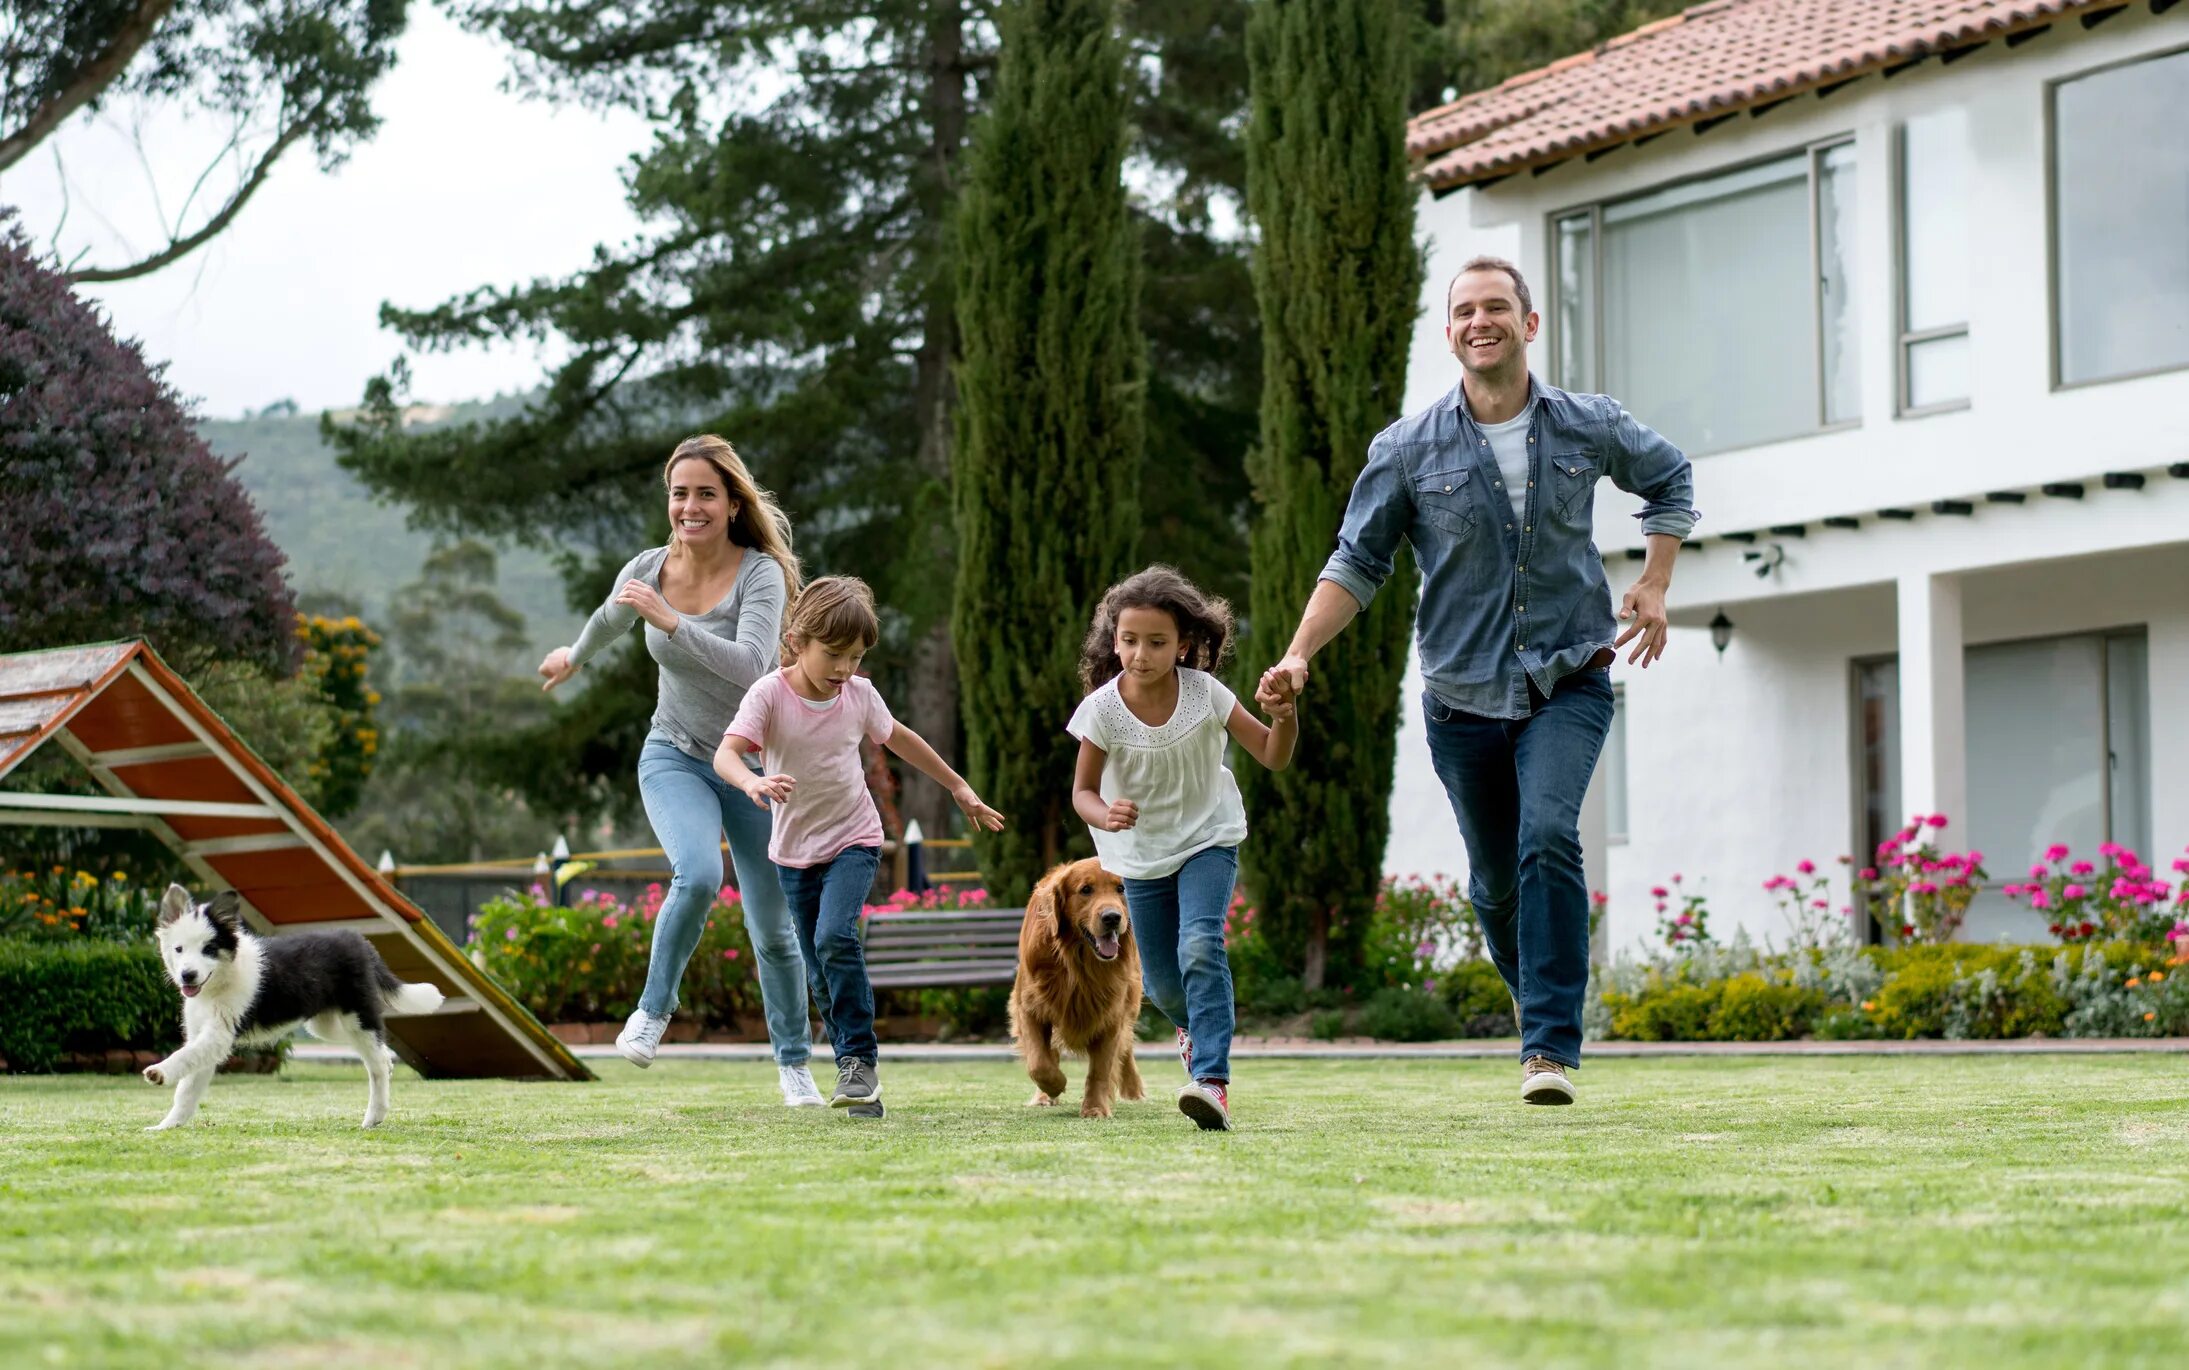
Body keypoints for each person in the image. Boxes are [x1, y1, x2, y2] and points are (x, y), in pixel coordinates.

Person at [1257, 255, 1696, 1106]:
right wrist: (1299, 653)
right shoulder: (1407, 449)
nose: (1479, 321)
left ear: (1528, 326)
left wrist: (1653, 580)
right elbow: (1357, 561)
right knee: (1495, 883)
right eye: (1464, 311)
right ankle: (1537, 1005)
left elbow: (1669, 477)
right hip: (1460, 697)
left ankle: (1548, 1050)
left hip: (1568, 676)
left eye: (1496, 307)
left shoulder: (1587, 423)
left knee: (1546, 838)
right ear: (1449, 332)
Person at [537, 435, 825, 1106]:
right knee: (695, 872)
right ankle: (652, 1013)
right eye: (679, 493)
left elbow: (752, 665)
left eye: (704, 494)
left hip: (755, 767)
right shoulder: (650, 566)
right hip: (674, 753)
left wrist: (670, 623)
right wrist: (572, 656)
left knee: (773, 931)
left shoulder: (759, 575)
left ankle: (793, 1064)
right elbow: (612, 617)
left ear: (730, 504)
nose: (689, 507)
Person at [717, 576, 1004, 1119]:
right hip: (794, 853)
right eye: (833, 654)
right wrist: (751, 781)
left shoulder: (859, 695)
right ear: (797, 641)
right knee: (818, 966)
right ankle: (857, 1080)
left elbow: (900, 738)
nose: (844, 669)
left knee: (833, 936)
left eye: (855, 656)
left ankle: (858, 1061)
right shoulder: (770, 695)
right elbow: (726, 754)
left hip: (855, 838)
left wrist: (958, 786)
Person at [1068, 566, 1297, 1131]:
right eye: (1128, 640)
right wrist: (1106, 813)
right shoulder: (1101, 709)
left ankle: (1211, 1081)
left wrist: (1285, 717)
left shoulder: (1207, 695)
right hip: (1140, 856)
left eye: (1156, 642)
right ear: (1112, 639)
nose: (1140, 654)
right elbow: (1082, 793)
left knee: (1201, 944)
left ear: (1185, 645)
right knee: (1166, 985)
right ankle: (1193, 1030)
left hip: (1207, 837)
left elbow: (1273, 755)